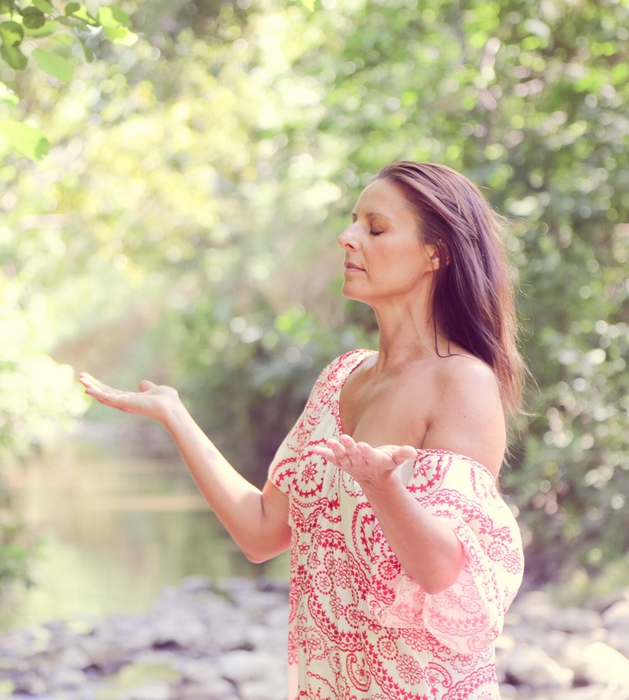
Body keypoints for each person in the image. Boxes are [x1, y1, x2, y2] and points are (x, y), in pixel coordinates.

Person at [80, 160, 525, 700]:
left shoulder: (463, 383)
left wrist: (383, 488)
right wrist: (176, 416)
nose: (348, 237)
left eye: (375, 228)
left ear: (436, 253)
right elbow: (262, 531)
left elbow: (443, 573)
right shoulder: (340, 378)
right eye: (352, 222)